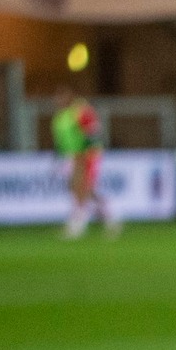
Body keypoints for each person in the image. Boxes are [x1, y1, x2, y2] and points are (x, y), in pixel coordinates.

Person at [51, 88, 119, 239]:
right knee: (83, 189)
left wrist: (87, 152)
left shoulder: (80, 110)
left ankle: (78, 225)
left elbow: (93, 131)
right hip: (73, 155)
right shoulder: (61, 116)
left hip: (86, 155)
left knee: (82, 187)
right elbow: (62, 140)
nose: (58, 101)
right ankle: (110, 219)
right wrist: (59, 157)